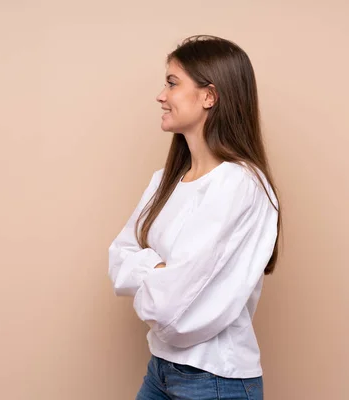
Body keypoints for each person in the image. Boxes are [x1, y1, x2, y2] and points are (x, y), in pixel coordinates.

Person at [108, 35, 282, 400]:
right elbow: (117, 258)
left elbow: (174, 317)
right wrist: (160, 272)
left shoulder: (240, 185)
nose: (161, 95)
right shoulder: (166, 180)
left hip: (214, 380)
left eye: (172, 83)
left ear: (209, 96)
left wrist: (147, 269)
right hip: (160, 370)